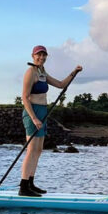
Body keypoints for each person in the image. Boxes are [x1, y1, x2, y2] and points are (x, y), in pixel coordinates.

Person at [20, 45, 82, 197]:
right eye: (38, 55)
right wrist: (34, 118)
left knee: (39, 150)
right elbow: (24, 98)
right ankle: (23, 186)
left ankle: (31, 183)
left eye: (44, 55)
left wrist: (74, 73)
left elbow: (61, 85)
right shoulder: (30, 73)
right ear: (33, 56)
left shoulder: (42, 72)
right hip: (32, 112)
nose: (41, 58)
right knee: (31, 150)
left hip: (43, 112)